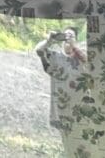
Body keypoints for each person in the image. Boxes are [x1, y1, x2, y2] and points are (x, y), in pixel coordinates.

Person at [35, 27, 88, 157]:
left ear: (76, 39)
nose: (67, 39)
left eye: (71, 36)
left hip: (81, 108)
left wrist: (74, 46)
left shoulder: (81, 55)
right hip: (62, 108)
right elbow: (39, 50)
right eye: (65, 36)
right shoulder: (56, 57)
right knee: (67, 141)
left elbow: (87, 60)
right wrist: (49, 40)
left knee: (83, 141)